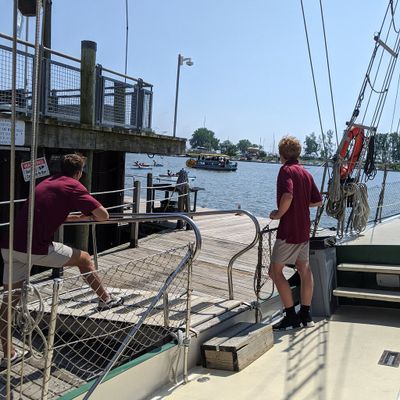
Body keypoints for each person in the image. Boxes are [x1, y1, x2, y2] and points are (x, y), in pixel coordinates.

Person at [0, 153, 124, 368]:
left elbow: (50, 213)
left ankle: (8, 353)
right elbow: (103, 216)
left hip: (10, 246)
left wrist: (78, 217)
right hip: (35, 248)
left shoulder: (47, 182)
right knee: (84, 259)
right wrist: (91, 215)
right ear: (79, 173)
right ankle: (105, 299)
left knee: (9, 301)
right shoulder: (73, 185)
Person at [269, 136, 322, 331]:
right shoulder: (305, 173)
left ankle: (291, 316)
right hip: (304, 230)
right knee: (304, 269)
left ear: (281, 154)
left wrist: (278, 214)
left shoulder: (286, 170)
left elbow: (288, 195)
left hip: (289, 230)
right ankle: (306, 315)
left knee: (274, 272)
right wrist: (301, 203)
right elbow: (318, 201)